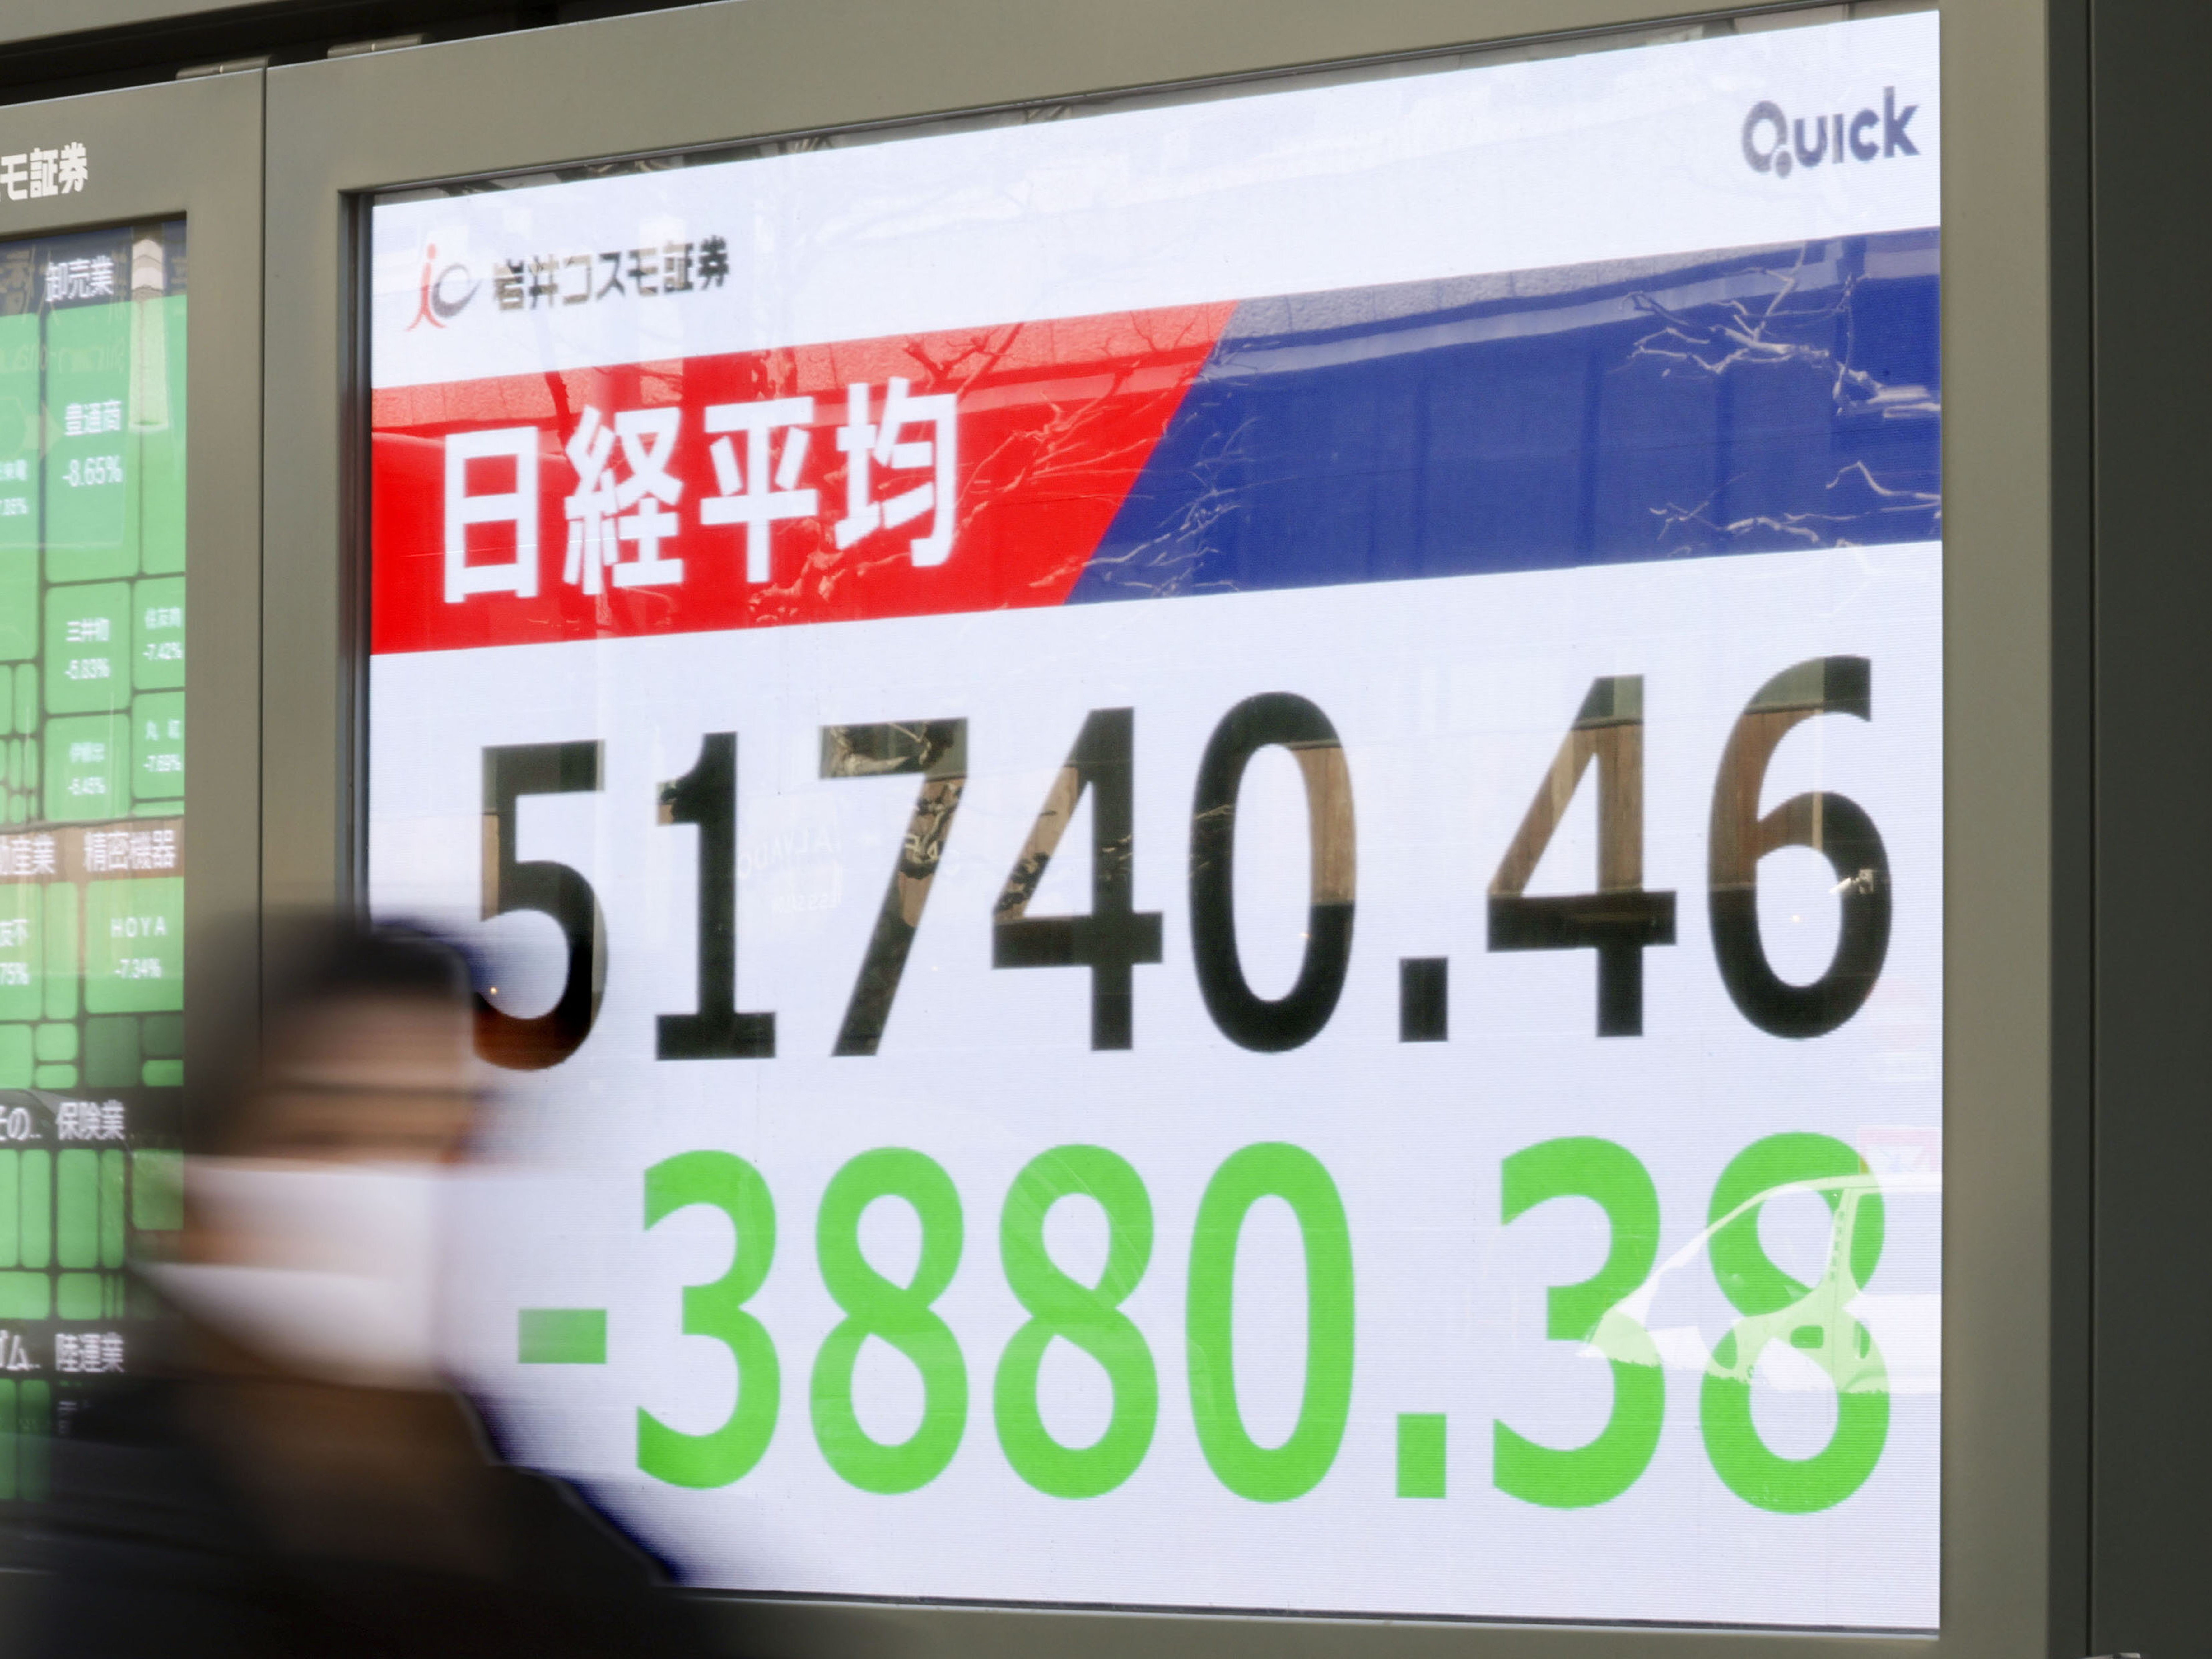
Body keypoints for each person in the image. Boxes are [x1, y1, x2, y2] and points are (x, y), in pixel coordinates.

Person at [19, 917, 714, 1659]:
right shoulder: (133, 1571)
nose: (399, 1196)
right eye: (327, 1137)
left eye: (449, 1144)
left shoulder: (584, 1575)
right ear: (197, 1207)